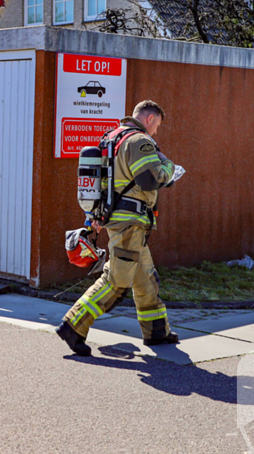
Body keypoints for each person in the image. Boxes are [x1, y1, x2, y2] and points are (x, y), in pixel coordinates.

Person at [57, 100, 181, 355]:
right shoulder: (139, 141)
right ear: (149, 118)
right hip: (129, 224)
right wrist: (168, 167)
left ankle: (157, 333)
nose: (156, 131)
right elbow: (149, 179)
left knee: (146, 279)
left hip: (119, 220)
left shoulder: (110, 138)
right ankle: (73, 325)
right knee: (116, 281)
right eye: (156, 125)